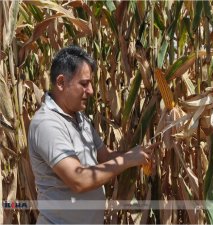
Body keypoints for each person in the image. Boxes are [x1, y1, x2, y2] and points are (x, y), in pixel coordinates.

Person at [28, 45, 152, 224]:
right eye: (84, 84)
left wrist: (140, 154)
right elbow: (79, 180)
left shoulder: (79, 118)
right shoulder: (47, 124)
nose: (91, 91)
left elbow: (105, 156)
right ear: (61, 82)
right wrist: (128, 160)